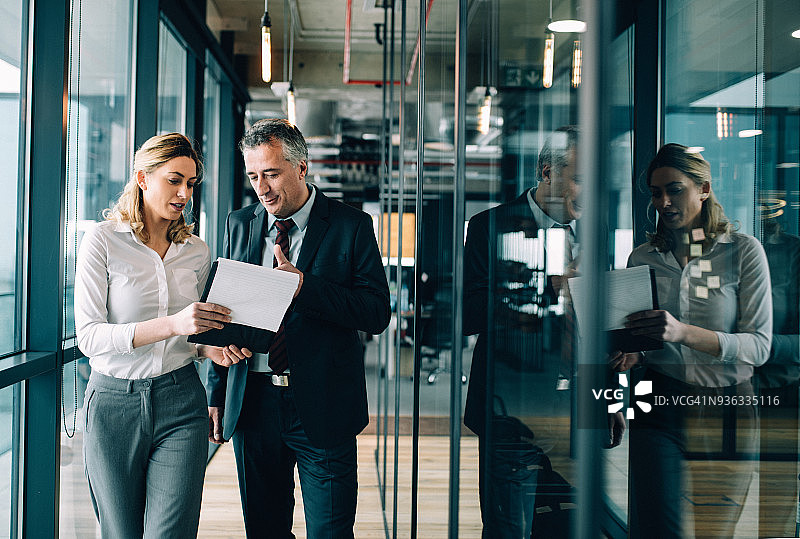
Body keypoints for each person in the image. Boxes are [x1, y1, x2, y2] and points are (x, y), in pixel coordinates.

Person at [206, 119, 391, 538]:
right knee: (265, 529)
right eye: (254, 176)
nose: (263, 188)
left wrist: (303, 287)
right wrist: (217, 391)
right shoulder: (241, 223)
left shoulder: (351, 225)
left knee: (330, 530)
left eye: (271, 173)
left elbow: (375, 313)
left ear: (301, 167)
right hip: (252, 404)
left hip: (323, 405)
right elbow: (224, 311)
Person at [463, 127, 625, 538]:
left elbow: (602, 330)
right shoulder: (489, 227)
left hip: (576, 413)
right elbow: (468, 314)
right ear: (546, 170)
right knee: (508, 528)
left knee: (569, 526)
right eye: (581, 177)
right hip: (511, 409)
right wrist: (548, 287)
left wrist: (612, 397)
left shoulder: (597, 234)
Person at [74, 133, 234, 538]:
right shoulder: (102, 241)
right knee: (120, 532)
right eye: (174, 180)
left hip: (181, 400)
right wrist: (176, 325)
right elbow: (89, 337)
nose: (184, 193)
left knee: (172, 532)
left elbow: (192, 336)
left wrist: (208, 348)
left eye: (192, 184)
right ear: (143, 178)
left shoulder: (197, 251)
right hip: (112, 404)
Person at [612, 143, 772, 537]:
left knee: (715, 531)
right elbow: (637, 342)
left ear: (703, 189)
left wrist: (683, 333)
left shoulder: (743, 252)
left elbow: (760, 346)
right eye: (655, 192)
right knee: (654, 528)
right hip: (658, 401)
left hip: (729, 405)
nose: (663, 202)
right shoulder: (643, 258)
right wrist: (629, 356)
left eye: (674, 189)